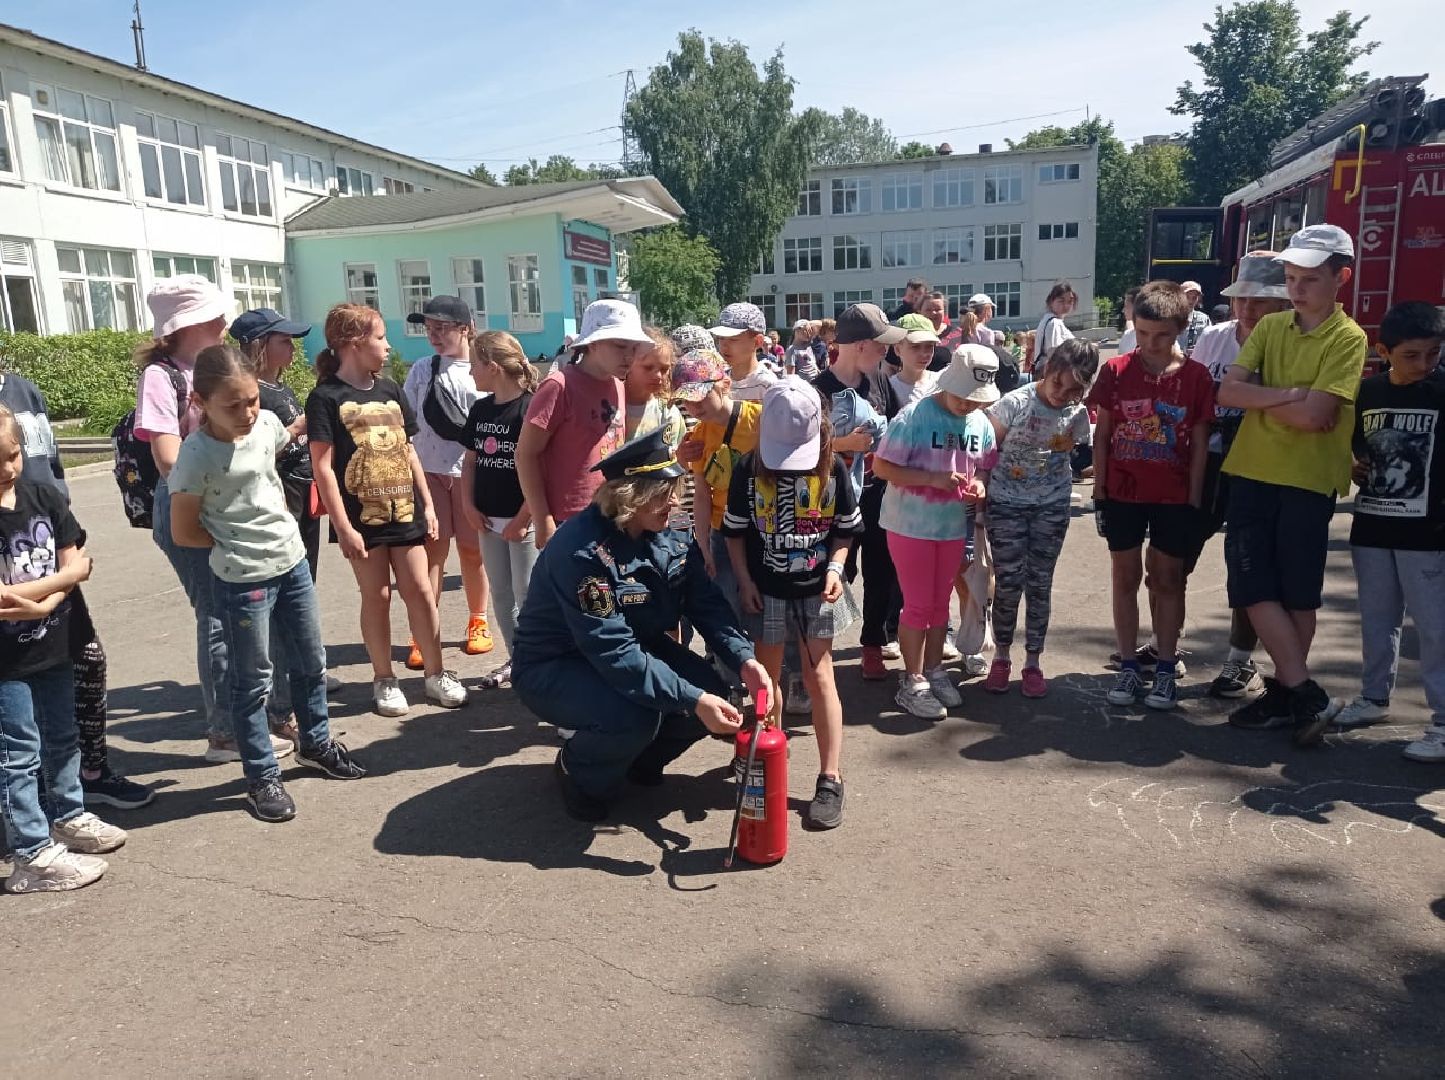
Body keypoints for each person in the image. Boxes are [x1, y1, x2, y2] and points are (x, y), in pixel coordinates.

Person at [511, 430, 772, 822]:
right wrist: (692, 699)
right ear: (628, 497)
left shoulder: (668, 527)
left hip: (634, 646)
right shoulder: (582, 552)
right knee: (634, 717)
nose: (673, 501)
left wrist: (745, 660)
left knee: (712, 691)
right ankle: (579, 772)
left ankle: (633, 762)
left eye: (674, 489)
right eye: (661, 493)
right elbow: (614, 652)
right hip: (557, 664)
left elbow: (705, 603)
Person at [169, 347, 366, 822]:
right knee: (253, 680)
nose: (247, 413)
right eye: (232, 405)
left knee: (311, 661)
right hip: (243, 580)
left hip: (292, 562)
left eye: (252, 400)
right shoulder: (195, 455)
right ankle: (261, 776)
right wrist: (233, 545)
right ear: (200, 402)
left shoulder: (265, 426)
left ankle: (315, 744)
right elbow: (184, 530)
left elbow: (275, 446)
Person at [1216, 226, 1367, 740]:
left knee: (1297, 595)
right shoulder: (1272, 326)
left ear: (1341, 277)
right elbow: (1228, 393)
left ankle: (1287, 693)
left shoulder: (1348, 338)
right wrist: (1293, 394)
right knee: (1253, 585)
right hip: (1252, 471)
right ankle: (1302, 693)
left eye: (1309, 279)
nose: (1296, 289)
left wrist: (1264, 396)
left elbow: (1316, 416)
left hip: (1308, 479)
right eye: (1291, 278)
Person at [137, 276, 281, 762]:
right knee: (219, 615)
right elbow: (166, 457)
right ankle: (226, 732)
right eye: (214, 316)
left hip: (228, 502)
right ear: (187, 324)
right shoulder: (162, 377)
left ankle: (248, 719)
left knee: (240, 612)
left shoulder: (213, 368)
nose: (224, 322)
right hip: (191, 505)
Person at [305, 304, 467, 717]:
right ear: (354, 344)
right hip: (361, 518)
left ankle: (436, 673)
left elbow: (409, 451)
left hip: (406, 511)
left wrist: (428, 505)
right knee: (376, 596)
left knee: (421, 590)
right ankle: (384, 678)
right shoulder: (325, 397)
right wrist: (343, 527)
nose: (388, 346)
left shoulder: (391, 389)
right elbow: (323, 467)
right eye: (380, 338)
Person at [0, 365, 150, 809]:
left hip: (44, 540)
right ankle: (29, 803)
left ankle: (89, 774)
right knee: (17, 716)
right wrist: (65, 579)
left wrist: (54, 587)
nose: (9, 466)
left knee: (85, 661)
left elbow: (50, 464)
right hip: (22, 574)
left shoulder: (22, 390)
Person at [1305, 302, 1445, 757]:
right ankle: (1374, 697)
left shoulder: (1441, 390)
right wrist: (1352, 463)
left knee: (1435, 627)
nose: (1424, 364)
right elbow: (1350, 444)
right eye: (1411, 355)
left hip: (1429, 533)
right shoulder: (1367, 392)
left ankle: (1443, 721)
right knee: (1378, 619)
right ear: (1384, 352)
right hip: (1373, 525)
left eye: (1434, 353)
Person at [0, 405, 128, 893]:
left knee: (63, 736)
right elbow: (65, 573)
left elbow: (74, 560)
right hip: (6, 663)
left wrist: (46, 599)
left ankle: (68, 815)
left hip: (55, 642)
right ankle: (30, 853)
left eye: (12, 455)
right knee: (17, 753)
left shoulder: (43, 495)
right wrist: (62, 582)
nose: (7, 468)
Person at [723, 378, 860, 827]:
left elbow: (845, 531)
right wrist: (744, 580)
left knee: (820, 676)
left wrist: (836, 568)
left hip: (819, 590)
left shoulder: (833, 466)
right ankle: (770, 752)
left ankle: (830, 776)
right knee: (766, 679)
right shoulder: (748, 467)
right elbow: (735, 532)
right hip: (765, 590)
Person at [1090, 281, 1214, 710]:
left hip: (1174, 496)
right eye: (1142, 333)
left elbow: (1200, 444)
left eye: (1161, 335)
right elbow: (1102, 435)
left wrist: (1194, 498)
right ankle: (1128, 664)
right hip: (1122, 493)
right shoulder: (1116, 370)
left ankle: (1165, 666)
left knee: (1167, 580)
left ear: (1181, 328)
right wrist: (1100, 492)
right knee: (1124, 577)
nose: (1150, 343)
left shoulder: (1196, 377)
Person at [1181, 254, 1291, 698]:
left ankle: (1239, 660)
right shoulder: (1214, 337)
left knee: (1247, 564)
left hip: (1262, 462)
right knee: (1177, 553)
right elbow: (1191, 393)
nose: (1247, 308)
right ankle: (1166, 644)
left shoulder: (1289, 342)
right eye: (1241, 298)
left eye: (1259, 300)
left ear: (1283, 302)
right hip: (1209, 458)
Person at [231, 306, 340, 747]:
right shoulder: (251, 393)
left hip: (301, 500)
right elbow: (248, 454)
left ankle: (302, 678)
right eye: (282, 340)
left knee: (300, 598)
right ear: (258, 346)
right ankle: (281, 706)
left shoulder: (278, 386)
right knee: (280, 609)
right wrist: (295, 430)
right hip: (280, 505)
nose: (292, 347)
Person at [873, 347, 999, 718]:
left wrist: (980, 484)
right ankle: (912, 680)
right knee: (917, 604)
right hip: (910, 525)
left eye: (975, 399)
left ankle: (933, 670)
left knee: (940, 603)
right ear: (948, 383)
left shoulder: (980, 422)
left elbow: (985, 465)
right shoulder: (915, 416)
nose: (968, 404)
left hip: (952, 526)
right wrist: (932, 479)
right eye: (963, 396)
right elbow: (882, 467)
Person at [982, 340, 1098, 697]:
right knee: (1008, 583)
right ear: (1046, 370)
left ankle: (1033, 661)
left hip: (1051, 506)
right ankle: (1001, 656)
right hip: (1006, 504)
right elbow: (985, 452)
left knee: (1039, 584)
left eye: (1073, 390)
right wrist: (979, 502)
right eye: (1058, 383)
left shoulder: (1077, 413)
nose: (1062, 394)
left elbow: (1079, 456)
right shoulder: (1014, 403)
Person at [812, 304, 907, 682]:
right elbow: (800, 446)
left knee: (882, 571)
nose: (887, 351)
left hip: (878, 493)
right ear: (860, 345)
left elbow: (896, 430)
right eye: (881, 345)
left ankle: (872, 645)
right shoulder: (818, 389)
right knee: (838, 572)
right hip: (833, 498)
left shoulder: (880, 381)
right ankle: (819, 649)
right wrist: (843, 444)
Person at [401, 296, 492, 667]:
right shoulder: (423, 369)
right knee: (433, 553)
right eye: (429, 329)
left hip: (472, 473)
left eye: (441, 327)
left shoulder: (483, 367)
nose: (434, 335)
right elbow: (406, 419)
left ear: (465, 328)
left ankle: (478, 621)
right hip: (430, 473)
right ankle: (425, 630)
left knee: (472, 550)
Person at [516, 299, 645, 551]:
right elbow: (525, 454)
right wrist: (542, 518)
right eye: (620, 346)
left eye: (634, 348)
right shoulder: (559, 386)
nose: (629, 356)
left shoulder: (618, 384)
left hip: (610, 510)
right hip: (568, 518)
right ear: (593, 343)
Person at [453, 331, 540, 691]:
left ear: (492, 367)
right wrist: (468, 506)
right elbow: (470, 462)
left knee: (527, 595)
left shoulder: (531, 407)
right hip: (487, 520)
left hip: (524, 521)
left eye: (474, 364)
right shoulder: (481, 409)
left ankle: (539, 663)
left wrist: (524, 518)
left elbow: (542, 469)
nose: (470, 371)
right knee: (501, 595)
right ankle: (518, 659)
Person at [674, 348, 760, 619]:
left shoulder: (760, 419)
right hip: (722, 532)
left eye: (701, 397)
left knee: (761, 606)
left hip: (760, 529)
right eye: (686, 401)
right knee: (727, 609)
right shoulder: (698, 435)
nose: (694, 407)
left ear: (724, 384)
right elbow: (702, 495)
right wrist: (704, 546)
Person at [626, 328, 686, 447]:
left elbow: (674, 454)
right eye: (648, 367)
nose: (658, 376)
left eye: (664, 369)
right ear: (627, 364)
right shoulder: (609, 409)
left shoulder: (667, 413)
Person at [710, 302, 777, 402]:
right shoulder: (716, 381)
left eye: (733, 339)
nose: (724, 345)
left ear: (758, 342)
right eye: (721, 338)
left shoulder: (768, 386)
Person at [889, 315, 942, 404]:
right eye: (915, 346)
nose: (924, 353)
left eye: (929, 346)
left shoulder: (941, 384)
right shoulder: (889, 388)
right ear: (897, 350)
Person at [1033, 281, 1078, 374]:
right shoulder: (1054, 323)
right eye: (1061, 301)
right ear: (1051, 302)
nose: (1066, 305)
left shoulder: (1047, 320)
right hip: (1054, 375)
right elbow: (1054, 354)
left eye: (1070, 301)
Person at [1177, 281, 1212, 357]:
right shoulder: (1168, 317)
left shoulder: (1204, 319)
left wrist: (1199, 349)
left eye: (1194, 297)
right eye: (1187, 297)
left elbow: (1210, 343)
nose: (1191, 301)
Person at [1118, 287, 1140, 355]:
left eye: (1126, 306)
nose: (1123, 310)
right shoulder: (1127, 335)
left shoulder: (1127, 336)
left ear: (1137, 307)